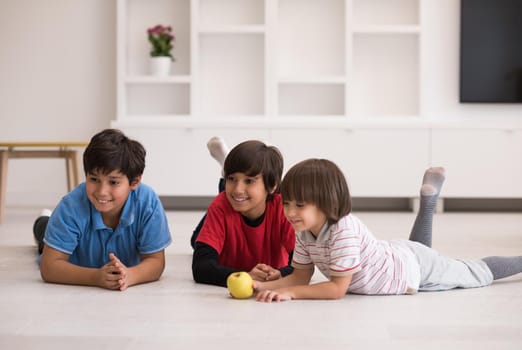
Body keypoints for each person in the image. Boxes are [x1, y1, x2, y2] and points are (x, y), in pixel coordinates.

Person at [254, 159, 522, 302]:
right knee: (421, 252)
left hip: (409, 269)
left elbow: (336, 289)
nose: (289, 212)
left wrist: (290, 293)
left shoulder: (342, 231)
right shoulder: (303, 230)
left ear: (326, 204)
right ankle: (428, 201)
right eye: (286, 203)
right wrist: (259, 287)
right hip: (398, 255)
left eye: (299, 205)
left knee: (476, 272)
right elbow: (300, 277)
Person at [32, 129, 172, 291]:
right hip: (72, 253)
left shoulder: (147, 203)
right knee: (44, 233)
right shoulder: (71, 205)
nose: (101, 191)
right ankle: (43, 221)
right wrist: (95, 277)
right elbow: (49, 268)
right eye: (94, 179)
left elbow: (156, 261)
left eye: (113, 182)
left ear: (134, 182)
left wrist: (130, 275)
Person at [192, 137, 295, 287]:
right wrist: (245, 276)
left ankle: (226, 166)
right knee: (195, 240)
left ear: (272, 186)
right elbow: (201, 267)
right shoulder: (221, 204)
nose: (238, 188)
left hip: (247, 201)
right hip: (227, 206)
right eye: (231, 178)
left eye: (249, 180)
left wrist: (281, 274)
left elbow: (304, 266)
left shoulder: (284, 208)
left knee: (235, 197)